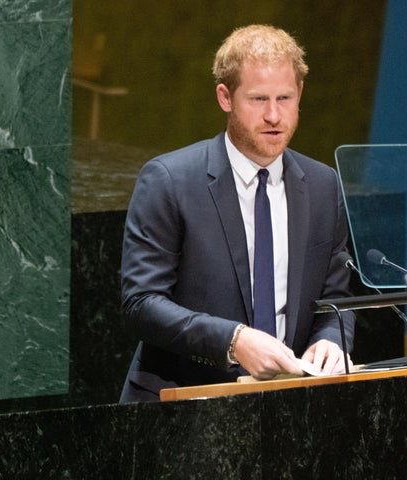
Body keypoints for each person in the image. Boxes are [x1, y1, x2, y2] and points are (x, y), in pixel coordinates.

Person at [119, 25, 355, 402]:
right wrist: (233, 341)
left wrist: (331, 338)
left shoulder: (323, 185)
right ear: (225, 97)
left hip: (288, 406)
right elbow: (141, 304)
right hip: (183, 405)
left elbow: (334, 298)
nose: (274, 115)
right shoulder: (169, 180)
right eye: (259, 99)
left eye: (285, 98)